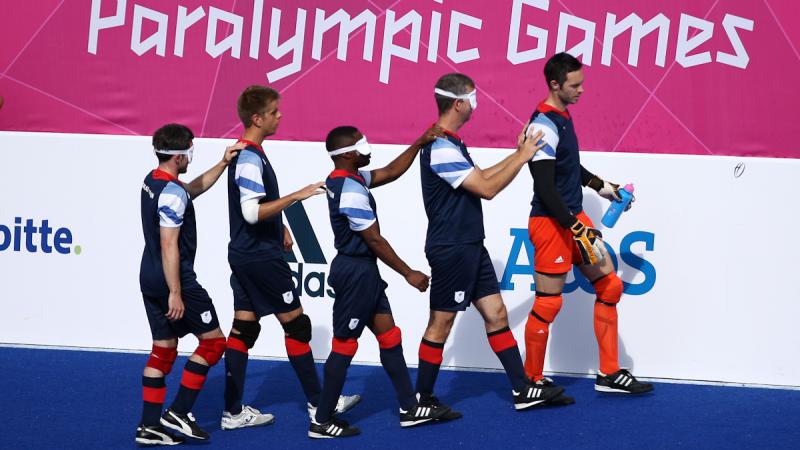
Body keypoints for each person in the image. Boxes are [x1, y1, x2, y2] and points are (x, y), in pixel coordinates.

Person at [415, 73, 563, 416]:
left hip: (470, 245)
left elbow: (482, 177)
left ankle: (522, 388)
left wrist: (518, 153)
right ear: (458, 103)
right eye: (473, 98)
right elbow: (487, 189)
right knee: (441, 323)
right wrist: (524, 155)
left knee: (496, 313)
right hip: (452, 248)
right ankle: (419, 401)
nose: (476, 104)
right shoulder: (439, 147)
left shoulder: (451, 143)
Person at [221, 85, 359, 431]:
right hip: (259, 258)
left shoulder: (248, 153)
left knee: (244, 328)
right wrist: (297, 196)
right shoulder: (250, 158)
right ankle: (319, 404)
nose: (280, 116)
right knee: (296, 325)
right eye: (274, 112)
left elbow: (254, 212)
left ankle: (233, 411)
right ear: (257, 118)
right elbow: (251, 213)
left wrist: (279, 226)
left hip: (245, 253)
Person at [523, 52, 654, 398]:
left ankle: (609, 373)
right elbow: (545, 187)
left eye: (582, 83)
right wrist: (572, 225)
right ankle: (531, 382)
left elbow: (569, 169)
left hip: (573, 220)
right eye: (575, 85)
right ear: (555, 85)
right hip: (551, 223)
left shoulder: (563, 117)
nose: (582, 90)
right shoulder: (542, 126)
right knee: (548, 304)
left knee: (610, 286)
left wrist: (604, 188)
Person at [309, 125, 453, 438]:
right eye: (362, 143)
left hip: (364, 272)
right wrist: (408, 273)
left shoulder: (349, 179)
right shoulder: (350, 190)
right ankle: (321, 420)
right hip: (356, 273)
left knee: (389, 336)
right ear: (347, 153)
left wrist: (418, 141)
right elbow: (374, 240)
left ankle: (408, 408)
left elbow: (390, 172)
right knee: (344, 345)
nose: (368, 145)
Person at [136, 124, 244, 445]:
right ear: (180, 155)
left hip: (149, 275)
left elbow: (189, 191)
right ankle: (179, 412)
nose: (191, 155)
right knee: (213, 344)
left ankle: (148, 426)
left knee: (163, 351)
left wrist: (223, 163)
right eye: (191, 150)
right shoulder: (171, 194)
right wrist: (176, 292)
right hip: (175, 278)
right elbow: (170, 244)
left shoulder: (153, 182)